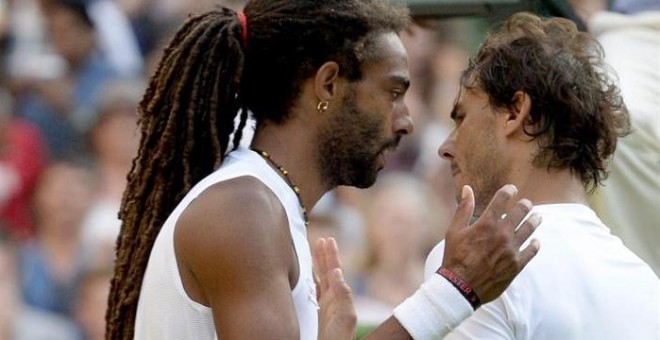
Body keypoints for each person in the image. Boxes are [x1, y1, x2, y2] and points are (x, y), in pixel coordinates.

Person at [106, 2, 542, 339]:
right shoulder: (242, 210)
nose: (405, 119)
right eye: (392, 92)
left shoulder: (261, 202)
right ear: (328, 84)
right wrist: (456, 288)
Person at [425, 12, 660, 339]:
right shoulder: (646, 282)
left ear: (515, 112)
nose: (446, 147)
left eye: (461, 117)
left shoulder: (475, 261)